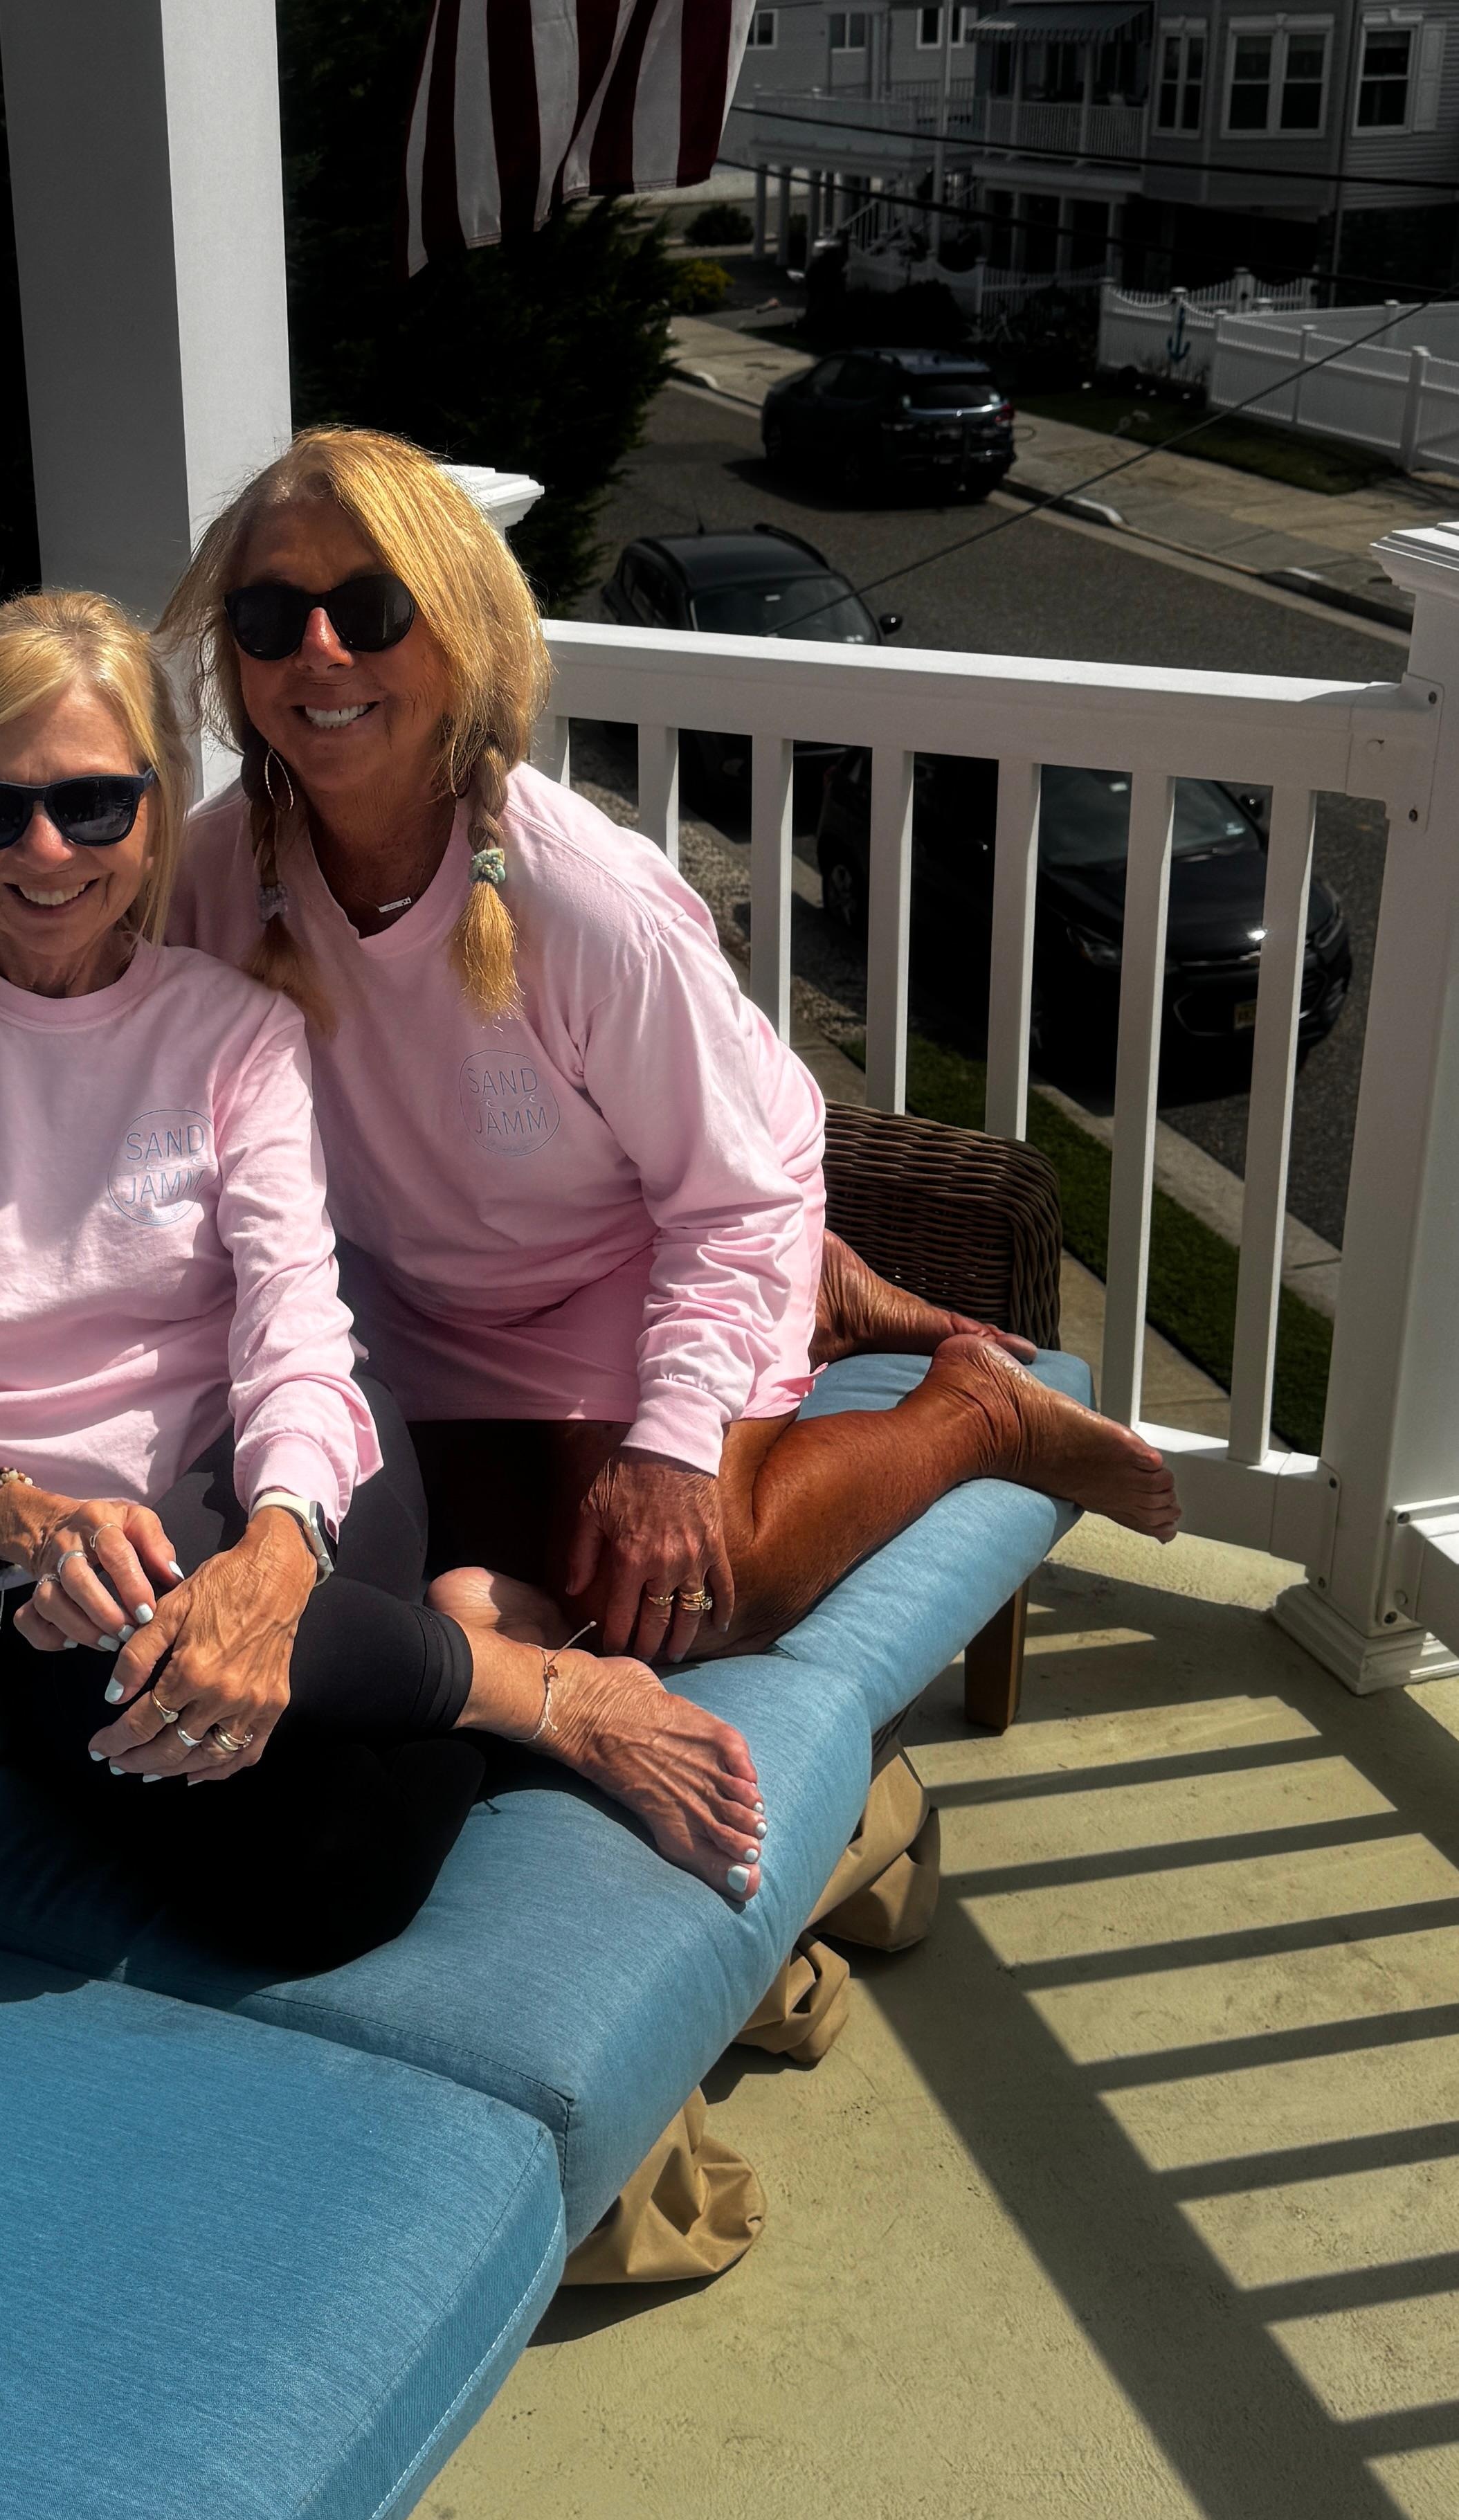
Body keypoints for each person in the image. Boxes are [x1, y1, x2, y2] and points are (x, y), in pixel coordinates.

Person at [0, 587, 768, 1975]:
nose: (45, 852)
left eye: (94, 805)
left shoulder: (231, 1026)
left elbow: (295, 1322)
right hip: (40, 1557)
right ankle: (505, 1671)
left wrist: (280, 1551)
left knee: (303, 1801)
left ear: (157, 810)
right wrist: (15, 1514)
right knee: (314, 1893)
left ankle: (420, 1642)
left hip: (288, 1461)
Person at [163, 430, 1179, 1674]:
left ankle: (974, 1412)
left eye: (371, 608)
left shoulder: (586, 903)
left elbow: (730, 1196)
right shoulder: (213, 880)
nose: (318, 651)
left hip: (645, 1246)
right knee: (414, 1571)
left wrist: (670, 1445)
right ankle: (825, 1290)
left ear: (464, 631)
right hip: (412, 1296)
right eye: (269, 615)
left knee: (679, 1599)